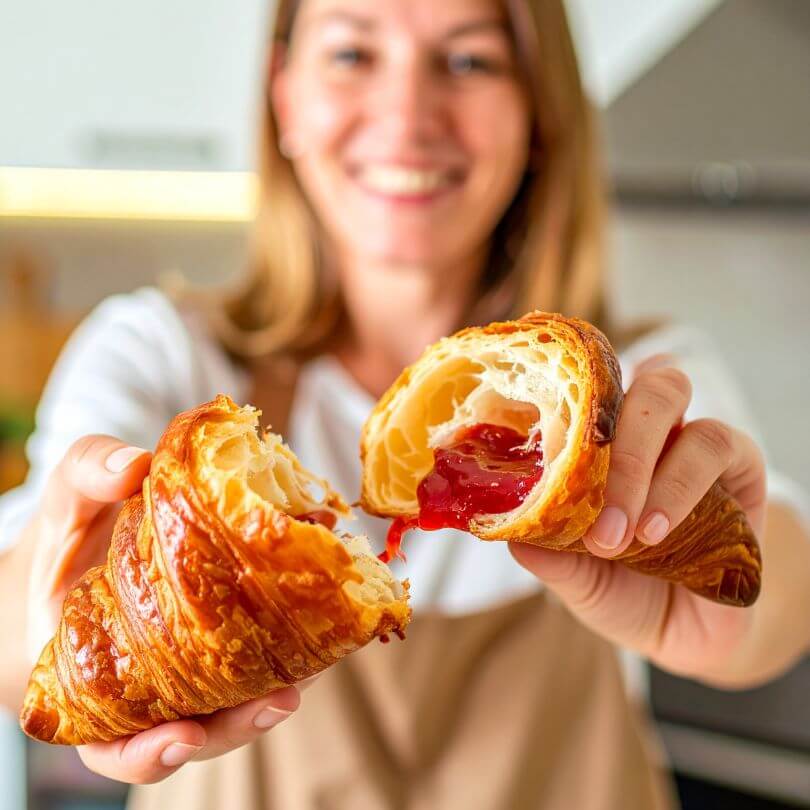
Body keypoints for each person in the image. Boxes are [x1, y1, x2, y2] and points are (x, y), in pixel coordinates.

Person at [1, 0, 809, 807]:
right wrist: (63, 621)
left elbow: (782, 588)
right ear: (284, 96)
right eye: (354, 54)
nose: (406, 115)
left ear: (536, 115)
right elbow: (21, 638)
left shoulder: (628, 395)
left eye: (469, 62)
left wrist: (720, 587)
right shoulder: (159, 351)